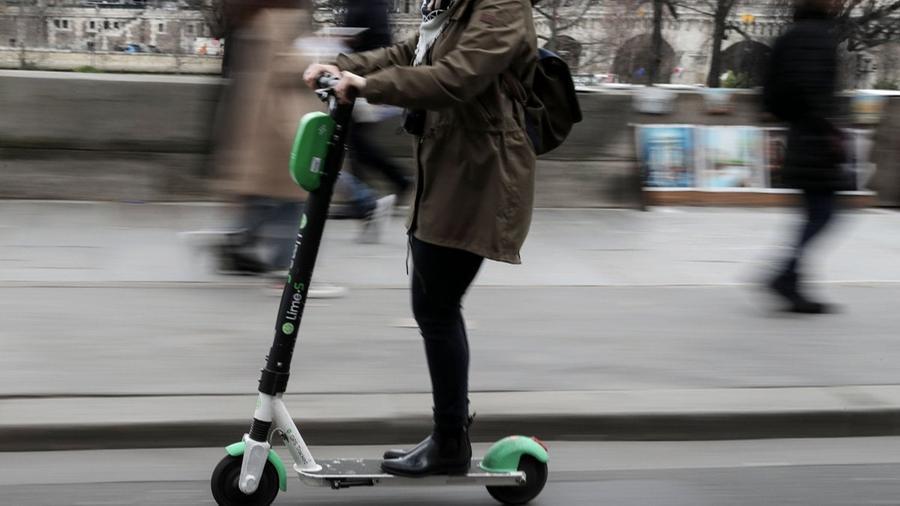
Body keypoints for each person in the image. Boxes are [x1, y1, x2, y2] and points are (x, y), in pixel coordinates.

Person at [305, 0, 538, 477]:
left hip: (481, 178)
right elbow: (409, 52)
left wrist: (367, 86)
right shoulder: (452, 9)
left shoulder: (502, 7)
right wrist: (343, 66)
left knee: (436, 307)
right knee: (434, 306)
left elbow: (457, 77)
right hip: (449, 172)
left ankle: (451, 440)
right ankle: (450, 437)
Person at [763, 0, 846, 314]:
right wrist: (828, 130)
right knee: (823, 212)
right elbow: (811, 89)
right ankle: (785, 276)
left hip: (801, 133)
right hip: (815, 138)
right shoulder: (817, 36)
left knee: (817, 212)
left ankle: (789, 278)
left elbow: (772, 92)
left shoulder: (790, 35)